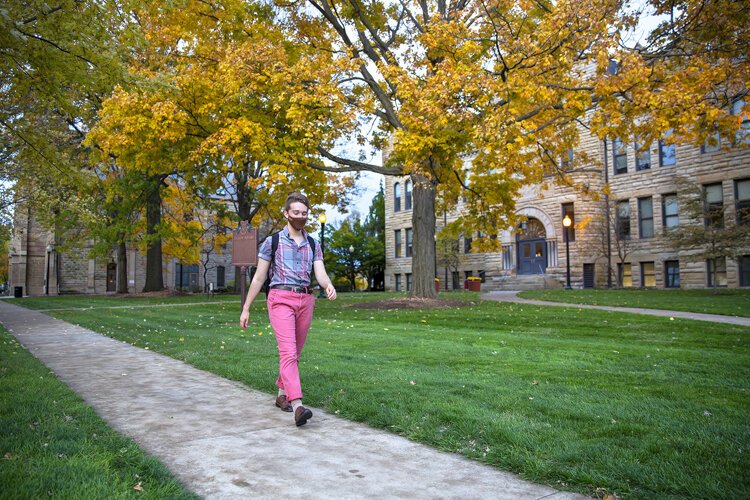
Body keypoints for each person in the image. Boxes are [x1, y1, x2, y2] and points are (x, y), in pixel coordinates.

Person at [240, 192, 337, 426]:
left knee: (295, 353)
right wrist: (246, 308)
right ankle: (297, 405)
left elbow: (319, 272)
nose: (300, 217)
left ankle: (281, 394)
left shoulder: (313, 243)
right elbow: (259, 277)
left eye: (304, 213)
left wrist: (328, 284)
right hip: (280, 298)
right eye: (296, 213)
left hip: (305, 300)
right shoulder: (272, 242)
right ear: (286, 214)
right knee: (289, 353)